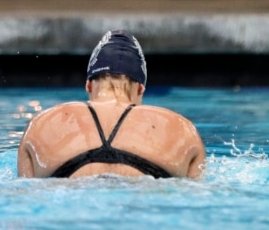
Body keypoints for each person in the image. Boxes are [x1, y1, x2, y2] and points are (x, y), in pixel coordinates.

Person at [17, 29, 206, 179]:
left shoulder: (41, 125)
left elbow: (24, 195)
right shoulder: (182, 129)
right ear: (140, 89)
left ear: (89, 85)